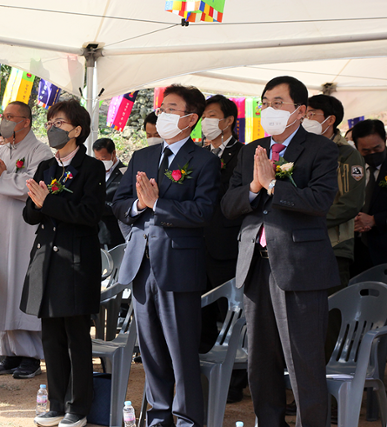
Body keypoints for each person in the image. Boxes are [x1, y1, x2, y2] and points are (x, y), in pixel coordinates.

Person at [222, 76, 339, 427]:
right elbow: (229, 205)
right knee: (260, 360)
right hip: (256, 266)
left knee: (303, 360)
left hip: (299, 268)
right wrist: (256, 186)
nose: (268, 109)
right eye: (264, 103)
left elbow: (320, 202)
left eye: (277, 103)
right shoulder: (250, 150)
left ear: (299, 111)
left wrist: (274, 184)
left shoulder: (321, 149)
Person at [113, 84, 221, 427]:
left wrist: (158, 204)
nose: (162, 115)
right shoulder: (143, 156)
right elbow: (117, 202)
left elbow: (203, 211)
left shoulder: (204, 160)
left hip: (179, 265)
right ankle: (159, 417)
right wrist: (138, 204)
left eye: (171, 109)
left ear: (190, 118)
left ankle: (188, 419)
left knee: (181, 352)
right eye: (162, 109)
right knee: (151, 352)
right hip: (141, 265)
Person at [21, 99, 105, 427]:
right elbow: (30, 217)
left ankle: (78, 407)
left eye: (60, 124)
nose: (53, 129)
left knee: (76, 339)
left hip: (75, 263)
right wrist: (36, 201)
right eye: (51, 123)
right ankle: (55, 403)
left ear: (77, 130)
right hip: (45, 262)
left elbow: (88, 215)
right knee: (51, 338)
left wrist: (50, 202)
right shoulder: (46, 167)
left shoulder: (91, 168)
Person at [0, 101, 52, 378]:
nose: (3, 121)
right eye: (2, 116)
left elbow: (32, 186)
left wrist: (2, 177)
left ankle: (31, 356)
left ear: (26, 122)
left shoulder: (41, 152)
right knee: (3, 284)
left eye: (9, 117)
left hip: (23, 228)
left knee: (21, 284)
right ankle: (8, 352)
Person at [198, 95, 247, 402]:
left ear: (228, 121)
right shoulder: (198, 152)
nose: (206, 122)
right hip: (197, 247)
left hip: (227, 245)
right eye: (203, 116)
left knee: (230, 313)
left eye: (212, 115)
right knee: (199, 314)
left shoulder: (242, 153)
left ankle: (234, 380)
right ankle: (203, 373)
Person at [304, 95, 365, 289]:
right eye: (304, 114)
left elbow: (350, 203)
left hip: (334, 245)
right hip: (301, 243)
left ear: (329, 120)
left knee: (331, 310)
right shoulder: (301, 149)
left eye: (311, 114)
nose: (305, 119)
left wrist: (310, 220)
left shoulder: (347, 154)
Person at [351, 119, 387, 271]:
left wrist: (374, 220)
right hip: (355, 251)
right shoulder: (351, 168)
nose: (372, 154)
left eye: (377, 148)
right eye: (366, 150)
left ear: (385, 141)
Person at [93, 138, 126, 249]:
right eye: (97, 158)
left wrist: (96, 205)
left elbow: (122, 205)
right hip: (94, 232)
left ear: (113, 153)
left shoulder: (125, 173)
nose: (101, 162)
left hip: (112, 233)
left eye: (104, 158)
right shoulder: (94, 171)